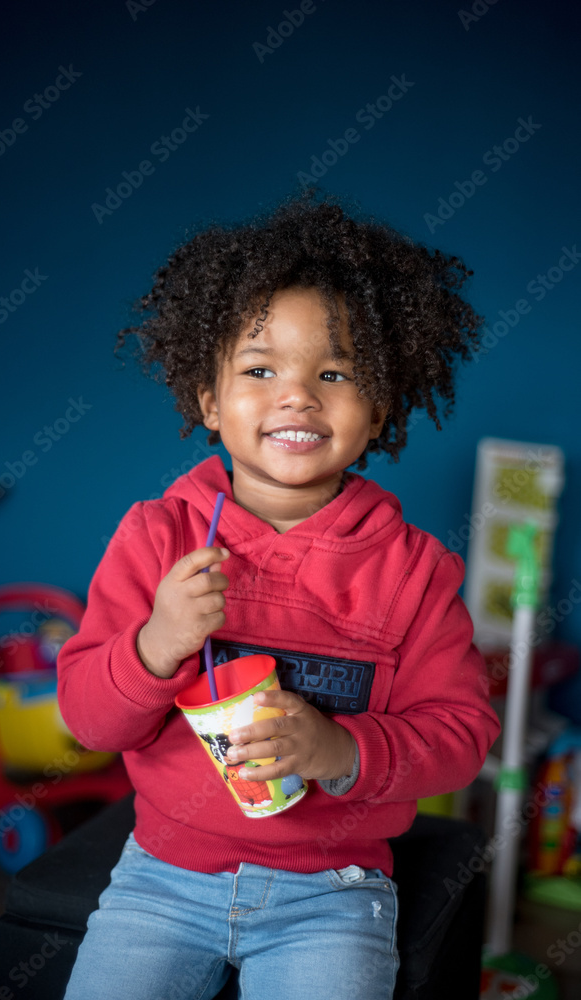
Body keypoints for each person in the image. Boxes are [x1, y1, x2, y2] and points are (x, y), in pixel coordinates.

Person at [58, 188, 500, 1000]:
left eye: (334, 372)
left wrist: (341, 751)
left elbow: (463, 734)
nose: (297, 394)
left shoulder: (415, 570)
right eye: (260, 370)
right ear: (208, 399)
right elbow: (87, 721)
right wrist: (156, 644)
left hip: (332, 896)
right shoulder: (158, 538)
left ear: (379, 409)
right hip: (162, 878)